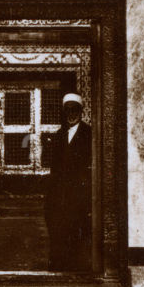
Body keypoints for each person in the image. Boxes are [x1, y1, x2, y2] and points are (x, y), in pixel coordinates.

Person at [45, 93, 92, 271]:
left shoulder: (89, 133)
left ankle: (76, 267)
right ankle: (59, 265)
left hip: (79, 193)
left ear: (81, 111)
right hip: (59, 193)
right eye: (68, 110)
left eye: (75, 110)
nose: (71, 114)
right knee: (58, 228)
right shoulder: (59, 135)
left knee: (77, 229)